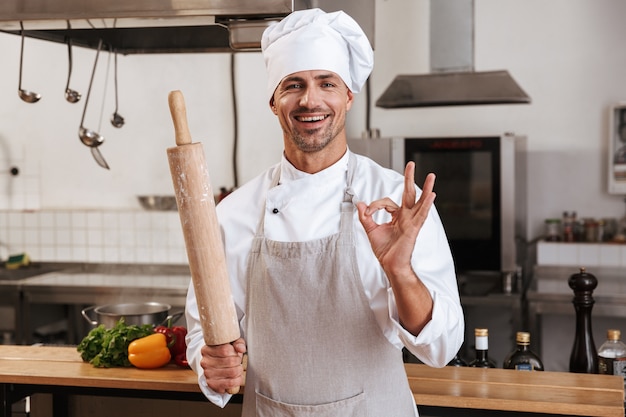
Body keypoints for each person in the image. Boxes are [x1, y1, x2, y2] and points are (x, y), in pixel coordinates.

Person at [185, 8, 464, 417]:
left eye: (326, 83)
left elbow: (441, 347)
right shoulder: (234, 213)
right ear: (273, 102)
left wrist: (400, 271)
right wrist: (211, 362)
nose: (309, 100)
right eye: (293, 85)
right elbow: (203, 336)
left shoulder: (394, 200)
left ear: (348, 96)